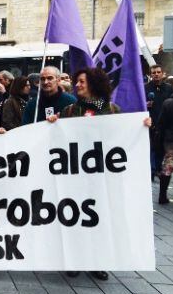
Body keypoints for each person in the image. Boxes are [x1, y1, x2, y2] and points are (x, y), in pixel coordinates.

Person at [49, 67, 151, 281]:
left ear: (94, 84)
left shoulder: (113, 110)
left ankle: (98, 261)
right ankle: (75, 259)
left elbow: (123, 137)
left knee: (101, 218)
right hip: (76, 176)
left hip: (103, 176)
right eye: (76, 82)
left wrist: (141, 127)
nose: (77, 85)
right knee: (75, 218)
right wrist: (52, 125)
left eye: (82, 82)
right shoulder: (69, 111)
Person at [146, 65, 173, 179]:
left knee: (161, 148)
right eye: (154, 73)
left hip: (164, 124)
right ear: (150, 75)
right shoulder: (145, 88)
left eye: (158, 72)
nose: (156, 74)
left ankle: (157, 168)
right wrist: (146, 105)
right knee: (151, 147)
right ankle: (152, 171)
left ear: (162, 73)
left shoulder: (169, 88)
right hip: (150, 122)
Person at [157, 83, 173, 205]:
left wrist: (159, 141)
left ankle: (162, 195)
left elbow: (161, 123)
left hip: (170, 140)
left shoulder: (168, 103)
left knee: (167, 168)